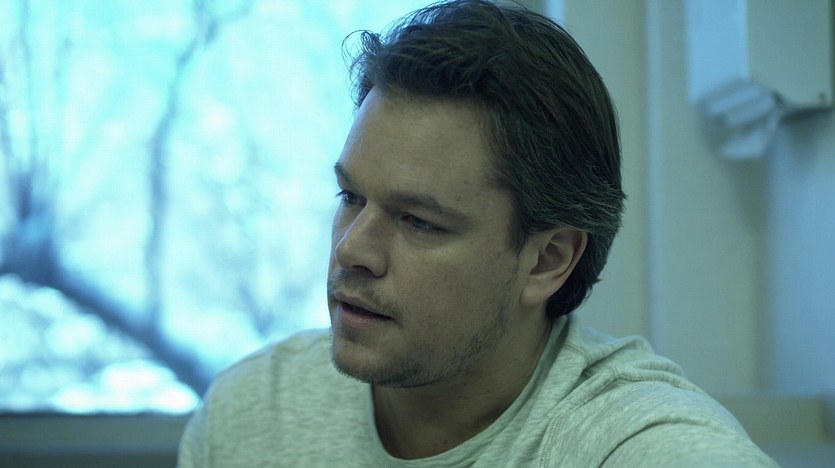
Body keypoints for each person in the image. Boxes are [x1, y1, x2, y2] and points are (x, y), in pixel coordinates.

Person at [178, 1, 777, 466]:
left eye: (419, 221)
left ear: (547, 260)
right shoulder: (250, 417)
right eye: (351, 198)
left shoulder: (629, 440)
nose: (352, 249)